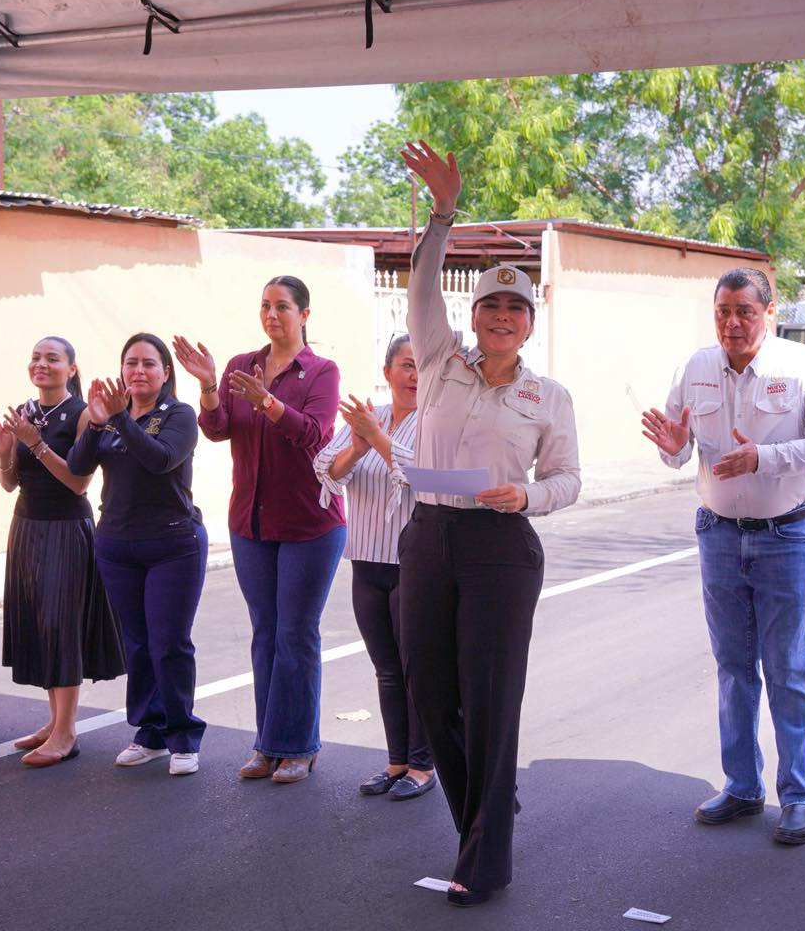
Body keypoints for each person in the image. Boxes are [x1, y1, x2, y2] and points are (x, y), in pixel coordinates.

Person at [398, 141, 581, 907]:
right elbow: (420, 287)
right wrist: (443, 215)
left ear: (529, 324)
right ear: (472, 316)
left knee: (490, 698)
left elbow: (568, 479)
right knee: (432, 693)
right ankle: (487, 809)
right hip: (428, 536)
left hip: (500, 546)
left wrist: (527, 498)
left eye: (516, 308)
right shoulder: (438, 359)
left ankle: (483, 859)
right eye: (490, 305)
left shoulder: (548, 396)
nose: (501, 316)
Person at [641, 270, 805, 844]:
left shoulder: (803, 367)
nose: (732, 323)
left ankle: (799, 795)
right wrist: (674, 449)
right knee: (732, 666)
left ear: (769, 313)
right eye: (723, 311)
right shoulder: (696, 367)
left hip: (787, 535)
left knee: (789, 667)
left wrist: (764, 458)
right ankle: (743, 786)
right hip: (719, 534)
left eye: (744, 311)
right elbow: (678, 446)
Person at [174, 277, 345, 785]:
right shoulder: (240, 366)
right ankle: (268, 744)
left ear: (304, 315)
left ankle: (298, 746)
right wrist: (209, 386)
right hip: (250, 520)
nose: (272, 314)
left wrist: (269, 402)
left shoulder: (321, 371)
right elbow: (218, 428)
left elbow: (313, 433)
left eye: (283, 307)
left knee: (296, 634)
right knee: (265, 632)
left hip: (309, 523)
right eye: (266, 306)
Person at [0, 336, 125, 768]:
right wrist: (5, 453)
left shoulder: (81, 415)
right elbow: (10, 483)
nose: (40, 364)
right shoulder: (25, 411)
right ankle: (53, 721)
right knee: (41, 623)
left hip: (66, 528)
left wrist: (36, 444)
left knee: (62, 626)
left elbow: (79, 482)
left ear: (71, 369)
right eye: (35, 357)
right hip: (26, 526)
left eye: (52, 358)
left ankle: (66, 732)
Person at [67, 333, 206, 776]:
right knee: (138, 644)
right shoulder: (109, 417)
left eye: (148, 363)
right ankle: (150, 732)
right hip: (117, 544)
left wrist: (119, 419)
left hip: (172, 545)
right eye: (131, 363)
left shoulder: (179, 415)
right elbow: (77, 468)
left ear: (165, 373)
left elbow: (159, 459)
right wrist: (95, 424)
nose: (139, 371)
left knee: (169, 644)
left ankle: (183, 737)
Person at [313, 335, 434, 801]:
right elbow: (327, 469)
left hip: (413, 564)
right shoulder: (369, 415)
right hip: (365, 559)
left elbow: (419, 475)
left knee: (416, 669)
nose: (414, 376)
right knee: (386, 669)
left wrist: (376, 439)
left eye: (422, 366)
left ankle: (422, 765)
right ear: (388, 372)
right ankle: (396, 761)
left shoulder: (436, 423)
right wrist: (359, 446)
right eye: (406, 365)